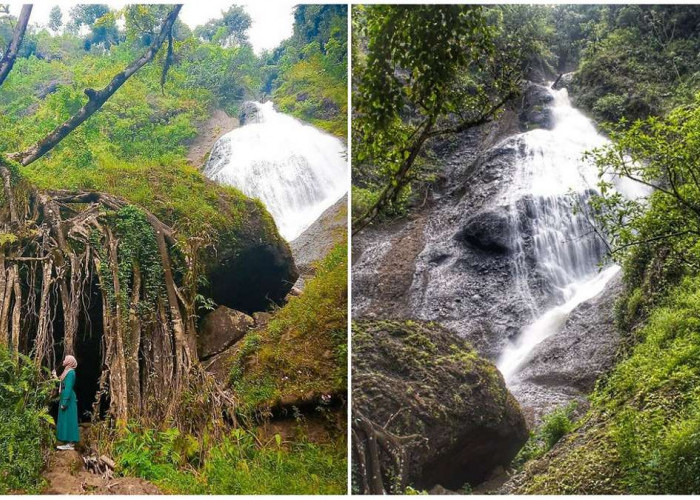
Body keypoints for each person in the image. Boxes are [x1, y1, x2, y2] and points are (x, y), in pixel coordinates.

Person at [53, 355, 79, 451]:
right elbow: (61, 384)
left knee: (70, 419)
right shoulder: (66, 372)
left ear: (69, 361)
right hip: (64, 397)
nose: (63, 360)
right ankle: (67, 441)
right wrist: (55, 377)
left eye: (65, 359)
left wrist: (65, 402)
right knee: (65, 419)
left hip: (68, 399)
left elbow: (68, 388)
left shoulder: (71, 373)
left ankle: (71, 443)